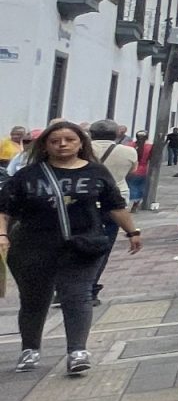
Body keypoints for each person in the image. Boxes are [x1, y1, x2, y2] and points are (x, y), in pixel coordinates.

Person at [0, 120, 139, 375]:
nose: (62, 145)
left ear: (81, 143)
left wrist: (133, 232)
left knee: (77, 295)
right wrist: (2, 234)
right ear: (45, 145)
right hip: (32, 246)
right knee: (34, 300)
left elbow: (115, 205)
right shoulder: (29, 175)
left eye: (69, 140)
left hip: (82, 244)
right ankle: (29, 349)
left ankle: (77, 351)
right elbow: (4, 209)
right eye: (55, 141)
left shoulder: (96, 172)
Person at [85, 122, 137, 307]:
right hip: (116, 200)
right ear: (116, 134)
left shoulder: (82, 148)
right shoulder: (128, 151)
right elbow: (132, 170)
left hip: (86, 200)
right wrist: (133, 232)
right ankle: (90, 288)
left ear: (91, 133)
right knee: (104, 246)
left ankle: (72, 286)